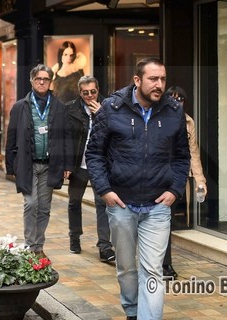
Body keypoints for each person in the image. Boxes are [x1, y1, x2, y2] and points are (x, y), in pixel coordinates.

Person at [86, 57, 190, 320]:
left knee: (153, 270)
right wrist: (104, 190)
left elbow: (181, 156)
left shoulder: (173, 111)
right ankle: (132, 312)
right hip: (121, 204)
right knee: (126, 269)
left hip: (157, 207)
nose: (159, 85)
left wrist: (175, 189)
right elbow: (94, 153)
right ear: (137, 80)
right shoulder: (111, 108)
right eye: (153, 79)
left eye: (163, 79)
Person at [5, 64, 74, 258]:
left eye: (45, 79)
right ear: (32, 81)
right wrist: (10, 164)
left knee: (44, 207)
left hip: (50, 165)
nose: (42, 82)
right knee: (30, 204)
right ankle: (29, 245)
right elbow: (12, 136)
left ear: (50, 82)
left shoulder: (59, 107)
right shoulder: (20, 106)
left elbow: (66, 136)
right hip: (28, 164)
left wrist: (68, 164)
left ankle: (38, 246)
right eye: (38, 79)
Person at [66, 75, 115, 262]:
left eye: (93, 92)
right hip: (79, 164)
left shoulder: (109, 106)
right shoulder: (71, 108)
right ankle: (74, 237)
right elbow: (67, 139)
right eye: (85, 93)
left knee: (102, 204)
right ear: (80, 92)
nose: (90, 96)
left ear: (98, 89)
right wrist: (67, 165)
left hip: (100, 165)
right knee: (74, 201)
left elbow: (115, 133)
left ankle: (104, 246)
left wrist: (102, 114)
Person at [163, 86, 207, 279]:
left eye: (180, 99)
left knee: (167, 222)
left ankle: (166, 264)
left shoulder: (188, 122)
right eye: (172, 98)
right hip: (157, 176)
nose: (176, 102)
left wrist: (200, 180)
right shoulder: (157, 118)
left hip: (177, 177)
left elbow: (193, 152)